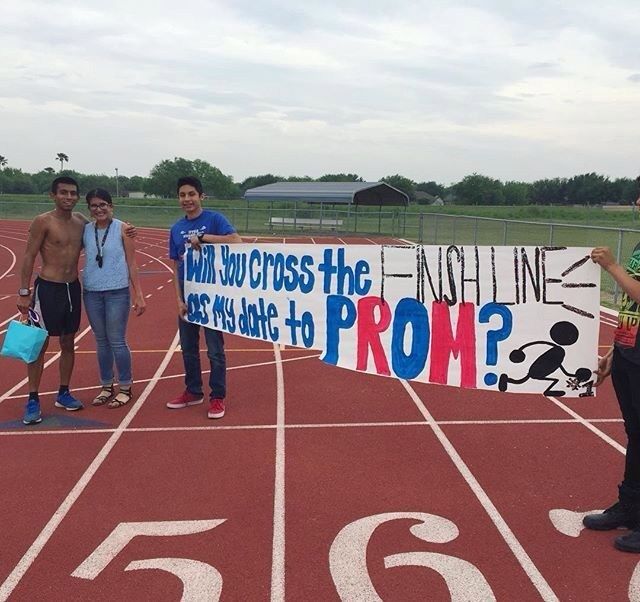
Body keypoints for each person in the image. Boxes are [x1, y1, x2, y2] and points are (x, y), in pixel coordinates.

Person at [17, 176, 134, 425]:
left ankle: (63, 392)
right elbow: (28, 256)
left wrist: (127, 230)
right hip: (47, 288)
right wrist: (24, 292)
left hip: (72, 289)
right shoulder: (43, 221)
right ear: (53, 195)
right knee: (40, 344)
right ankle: (33, 398)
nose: (68, 197)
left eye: (72, 193)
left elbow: (105, 236)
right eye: (63, 193)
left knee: (68, 342)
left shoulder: (82, 223)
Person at [584, 195, 640, 552]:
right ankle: (631, 507)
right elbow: (630, 307)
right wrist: (613, 350)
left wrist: (613, 267)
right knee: (635, 434)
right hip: (630, 352)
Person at [167, 176, 241, 419]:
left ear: (201, 196)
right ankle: (193, 390)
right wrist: (178, 299)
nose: (187, 199)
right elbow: (177, 266)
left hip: (212, 298)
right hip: (188, 297)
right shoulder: (176, 229)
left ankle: (217, 396)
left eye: (191, 194)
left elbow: (236, 241)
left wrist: (205, 238)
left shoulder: (214, 220)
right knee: (188, 348)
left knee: (214, 350)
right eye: (182, 195)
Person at [82, 189, 145, 408]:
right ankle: (106, 385)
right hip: (91, 292)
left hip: (117, 292)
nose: (99, 209)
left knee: (117, 340)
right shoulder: (86, 230)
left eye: (103, 205)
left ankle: (125, 386)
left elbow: (132, 262)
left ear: (111, 206)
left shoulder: (123, 229)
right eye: (94, 206)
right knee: (101, 341)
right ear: (89, 209)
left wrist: (138, 293)